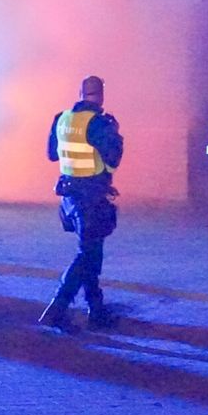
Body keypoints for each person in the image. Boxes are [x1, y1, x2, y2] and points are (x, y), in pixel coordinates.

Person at [39, 75, 124, 332]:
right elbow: (114, 159)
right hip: (91, 198)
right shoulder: (99, 123)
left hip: (69, 197)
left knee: (91, 252)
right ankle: (57, 307)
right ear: (101, 95)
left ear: (80, 94)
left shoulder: (62, 119)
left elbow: (52, 154)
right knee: (87, 254)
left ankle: (96, 310)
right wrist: (116, 135)